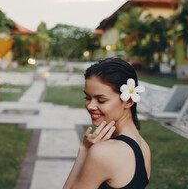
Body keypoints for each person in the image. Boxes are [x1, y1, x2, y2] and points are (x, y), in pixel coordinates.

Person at [63, 57, 151, 189]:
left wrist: (84, 151)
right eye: (87, 97)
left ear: (128, 101)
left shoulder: (104, 152)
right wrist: (84, 149)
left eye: (101, 100)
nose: (91, 106)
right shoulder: (143, 146)